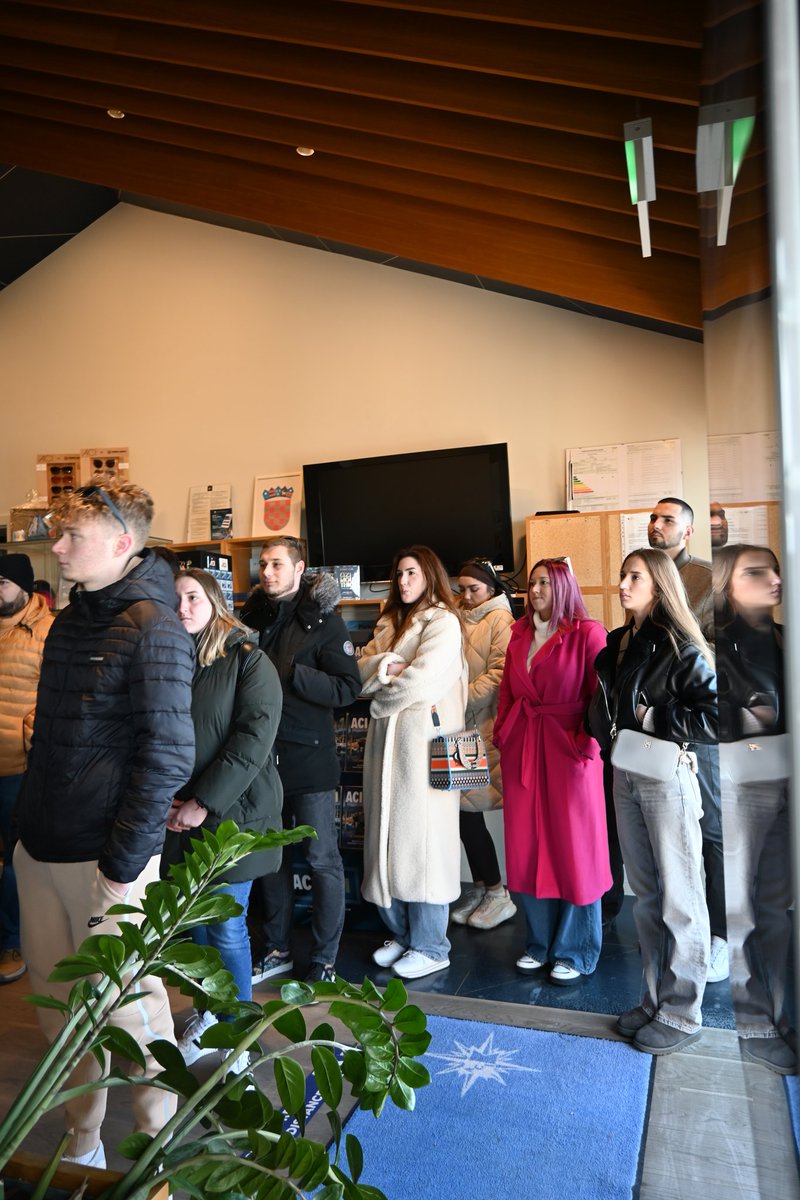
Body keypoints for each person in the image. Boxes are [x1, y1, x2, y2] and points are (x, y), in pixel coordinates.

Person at [14, 482, 196, 1168]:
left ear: (124, 544)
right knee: (58, 1012)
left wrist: (122, 868)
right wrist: (22, 835)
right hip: (42, 845)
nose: (55, 548)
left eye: (72, 537)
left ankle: (154, 1159)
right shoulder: (70, 616)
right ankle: (82, 1145)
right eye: (56, 535)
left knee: (131, 1014)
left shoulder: (153, 623)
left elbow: (168, 755)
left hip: (107, 861)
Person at [592, 547, 717, 1055]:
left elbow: (716, 718)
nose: (623, 584)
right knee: (646, 896)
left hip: (666, 776)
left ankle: (684, 1013)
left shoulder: (681, 644)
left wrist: (654, 721)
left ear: (659, 584)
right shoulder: (621, 642)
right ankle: (653, 999)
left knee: (681, 898)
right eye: (622, 575)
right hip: (626, 772)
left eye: (634, 577)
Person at [163, 569, 284, 1074]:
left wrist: (203, 803)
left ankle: (237, 1034)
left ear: (215, 601)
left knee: (227, 924)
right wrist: (167, 799)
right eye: (176, 601)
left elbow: (251, 742)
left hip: (233, 816)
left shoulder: (249, 660)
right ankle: (207, 1015)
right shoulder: (172, 662)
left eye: (194, 597)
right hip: (178, 814)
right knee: (193, 928)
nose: (184, 608)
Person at [241, 536, 361, 984]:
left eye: (276, 564)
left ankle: (325, 960)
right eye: (263, 565)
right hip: (261, 761)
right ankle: (277, 949)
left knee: (321, 860)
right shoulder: (250, 620)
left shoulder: (325, 623)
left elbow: (348, 688)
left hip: (309, 761)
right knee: (271, 860)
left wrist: (295, 675)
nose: (267, 572)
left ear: (299, 568)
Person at [495, 559, 609, 985]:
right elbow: (507, 689)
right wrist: (505, 734)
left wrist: (587, 745)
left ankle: (576, 950)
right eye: (532, 582)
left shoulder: (588, 634)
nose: (536, 588)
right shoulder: (519, 633)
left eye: (545, 581)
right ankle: (538, 944)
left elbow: (601, 699)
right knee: (527, 847)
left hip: (569, 750)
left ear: (562, 586)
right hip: (524, 745)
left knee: (576, 850)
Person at [359, 546, 467, 980]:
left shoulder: (444, 621)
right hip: (391, 744)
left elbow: (422, 681)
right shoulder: (389, 621)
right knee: (389, 841)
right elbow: (360, 670)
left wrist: (381, 685)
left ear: (429, 576)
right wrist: (387, 666)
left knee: (425, 847)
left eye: (412, 573)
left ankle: (431, 944)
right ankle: (404, 935)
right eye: (399, 573)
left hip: (430, 744)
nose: (403, 581)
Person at [713, 544, 795, 1074]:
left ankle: (781, 1019)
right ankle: (760, 1023)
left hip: (782, 780)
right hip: (745, 783)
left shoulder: (783, 639)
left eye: (774, 570)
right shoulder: (717, 645)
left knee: (776, 908)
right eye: (755, 572)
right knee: (751, 909)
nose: (773, 579)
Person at [647, 495, 726, 984]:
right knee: (668, 833)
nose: (656, 525)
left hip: (696, 717)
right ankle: (682, 928)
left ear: (688, 531)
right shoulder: (642, 573)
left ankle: (721, 936)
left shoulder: (708, 579)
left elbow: (725, 648)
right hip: (653, 721)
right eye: (653, 518)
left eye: (667, 519)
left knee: (712, 827)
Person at [449, 559, 516, 930]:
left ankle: (497, 892)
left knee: (469, 814)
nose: (467, 595)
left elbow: (500, 673)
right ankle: (480, 886)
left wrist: (458, 698)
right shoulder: (457, 615)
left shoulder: (500, 620)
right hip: (457, 730)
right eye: (462, 588)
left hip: (481, 728)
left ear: (491, 589)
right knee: (460, 815)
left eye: (474, 589)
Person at [0, 554, 54, 983]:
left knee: (16, 858)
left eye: (1, 582)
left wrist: (28, 733)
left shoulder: (46, 630)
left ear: (22, 586)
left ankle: (12, 941)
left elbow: (54, 695)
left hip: (19, 765)